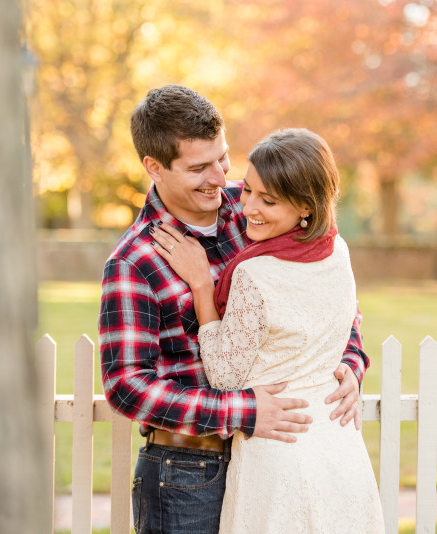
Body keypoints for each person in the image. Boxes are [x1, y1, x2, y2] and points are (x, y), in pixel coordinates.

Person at [98, 85, 370, 534]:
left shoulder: (261, 205)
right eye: (199, 167)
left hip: (278, 460)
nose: (219, 177)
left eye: (222, 159)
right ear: (154, 168)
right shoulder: (134, 261)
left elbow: (328, 294)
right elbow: (127, 387)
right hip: (188, 472)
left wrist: (349, 361)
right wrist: (244, 412)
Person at [149, 128, 384, 533]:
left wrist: (203, 287)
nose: (248, 208)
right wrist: (351, 361)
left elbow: (224, 375)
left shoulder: (255, 273)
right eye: (248, 191)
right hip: (338, 446)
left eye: (267, 200)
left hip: (278, 453)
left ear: (306, 207)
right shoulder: (336, 250)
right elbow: (341, 320)